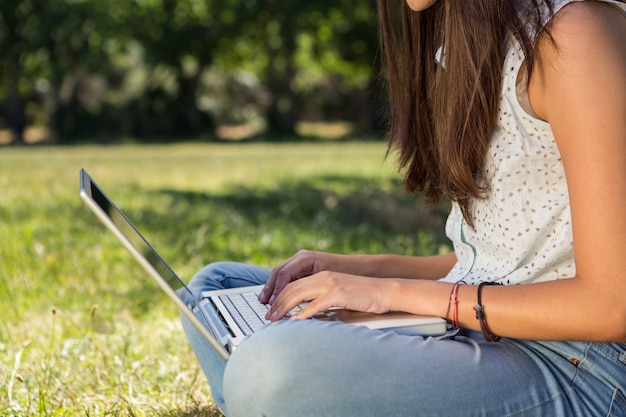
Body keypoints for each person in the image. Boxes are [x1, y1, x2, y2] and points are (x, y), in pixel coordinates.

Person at [182, 0, 626, 415]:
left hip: (578, 365)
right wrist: (360, 271)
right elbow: (507, 260)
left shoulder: (576, 36)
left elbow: (612, 306)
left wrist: (391, 293)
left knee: (268, 364)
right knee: (214, 290)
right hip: (485, 325)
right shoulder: (468, 45)